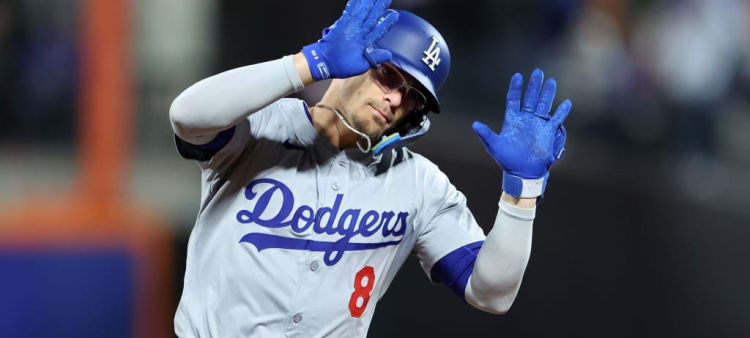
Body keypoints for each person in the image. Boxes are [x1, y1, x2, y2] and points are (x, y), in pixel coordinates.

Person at [168, 0, 571, 337]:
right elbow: (187, 116)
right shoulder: (262, 124)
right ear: (352, 57)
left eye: (414, 97)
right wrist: (309, 63)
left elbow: (491, 293)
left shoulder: (419, 184)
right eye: (388, 75)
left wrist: (524, 191)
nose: (396, 99)